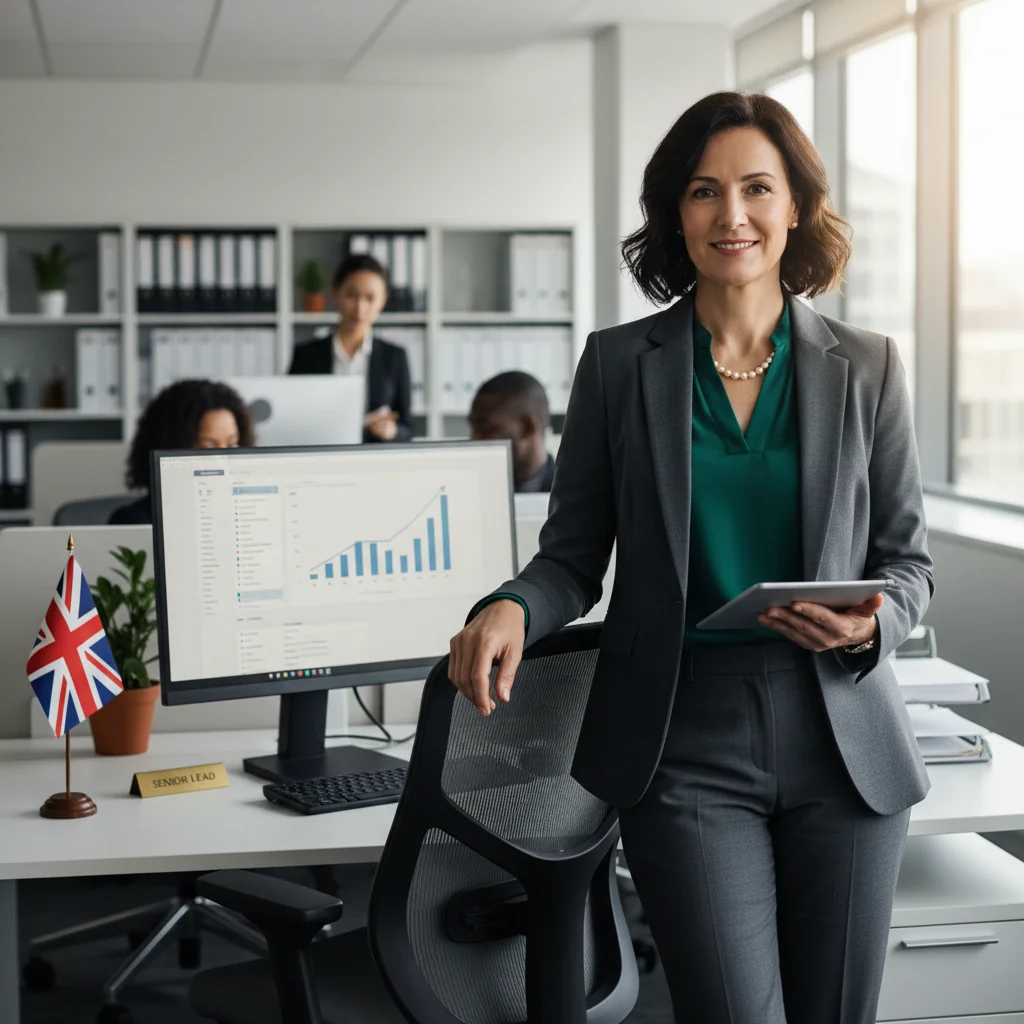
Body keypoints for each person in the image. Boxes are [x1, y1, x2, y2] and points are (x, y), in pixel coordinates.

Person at [448, 91, 932, 1024]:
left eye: (758, 188)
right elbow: (571, 558)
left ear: (797, 206)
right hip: (686, 739)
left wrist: (870, 628)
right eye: (705, 192)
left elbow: (907, 566)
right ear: (677, 212)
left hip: (843, 734)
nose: (733, 215)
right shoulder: (620, 365)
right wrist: (509, 605)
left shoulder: (867, 367)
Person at [288, 253, 413, 443]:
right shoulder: (306, 355)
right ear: (336, 293)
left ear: (382, 300)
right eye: (352, 295)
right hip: (320, 457)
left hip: (375, 461)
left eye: (370, 298)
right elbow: (289, 417)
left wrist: (392, 430)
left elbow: (407, 428)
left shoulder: (394, 357)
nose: (360, 307)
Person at [109, 379, 254, 525]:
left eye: (230, 445)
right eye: (207, 447)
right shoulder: (134, 520)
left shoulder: (248, 512)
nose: (224, 459)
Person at [468, 371, 554, 493]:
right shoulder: (472, 490)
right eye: (473, 428)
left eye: (485, 429)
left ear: (527, 428)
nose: (473, 439)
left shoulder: (574, 494)